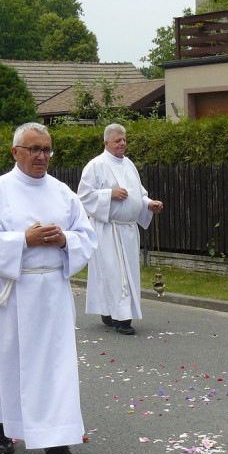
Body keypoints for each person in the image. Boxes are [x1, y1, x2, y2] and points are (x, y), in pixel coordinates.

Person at [0, 122, 96, 454]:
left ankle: (56, 444)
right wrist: (24, 240)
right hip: (12, 291)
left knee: (56, 368)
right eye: (34, 149)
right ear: (15, 152)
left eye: (47, 150)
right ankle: (3, 427)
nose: (42, 156)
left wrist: (65, 240)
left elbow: (87, 236)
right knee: (8, 361)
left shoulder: (63, 193)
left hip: (51, 290)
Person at [77, 123, 164, 335]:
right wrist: (109, 194)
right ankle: (122, 318)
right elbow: (84, 197)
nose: (122, 143)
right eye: (117, 140)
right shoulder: (96, 165)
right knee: (114, 273)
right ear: (106, 142)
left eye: (124, 140)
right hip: (108, 230)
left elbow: (138, 195)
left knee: (128, 273)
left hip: (128, 231)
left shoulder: (129, 165)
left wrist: (149, 204)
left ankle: (109, 311)